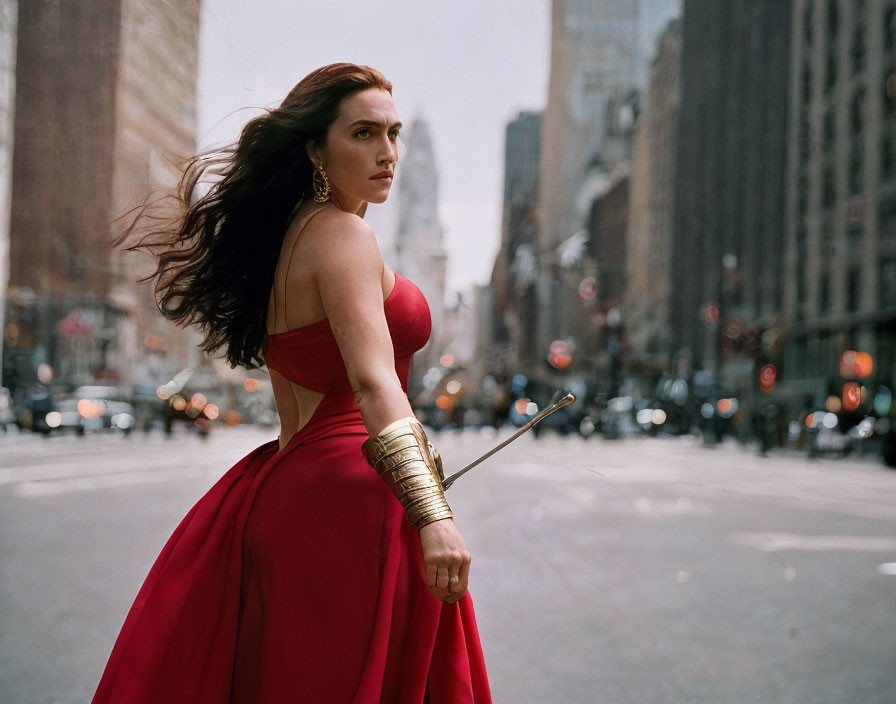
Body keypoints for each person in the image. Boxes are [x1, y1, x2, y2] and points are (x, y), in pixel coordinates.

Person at [92, 63, 492, 703]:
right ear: (314, 147)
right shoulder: (342, 232)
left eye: (394, 135)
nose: (386, 152)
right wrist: (433, 513)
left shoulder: (294, 236)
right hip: (354, 495)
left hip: (291, 486)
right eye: (363, 133)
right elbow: (373, 381)